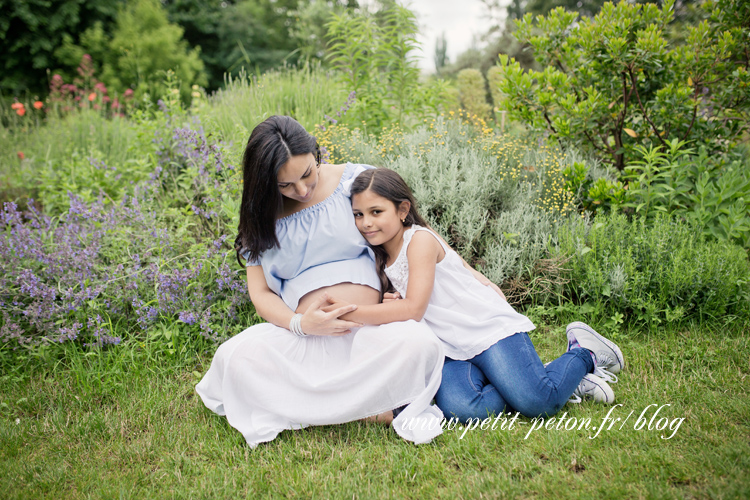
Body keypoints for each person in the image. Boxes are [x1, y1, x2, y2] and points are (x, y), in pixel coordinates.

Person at [195, 116, 445, 447]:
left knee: (418, 343)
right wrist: (301, 324)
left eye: (307, 174)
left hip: (372, 332)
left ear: (317, 153)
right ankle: (370, 406)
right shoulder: (261, 217)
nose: (301, 190)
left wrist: (465, 277)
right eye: (285, 185)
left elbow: (413, 233)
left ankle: (325, 407)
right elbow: (260, 293)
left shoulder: (354, 182)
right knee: (235, 359)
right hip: (306, 338)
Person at [334, 167, 625, 424]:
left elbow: (413, 310)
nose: (366, 223)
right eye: (358, 215)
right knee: (467, 410)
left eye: (376, 212)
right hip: (449, 349)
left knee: (540, 404)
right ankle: (536, 376)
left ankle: (583, 354)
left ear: (402, 210)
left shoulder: (419, 240)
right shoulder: (381, 256)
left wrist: (349, 313)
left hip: (486, 330)